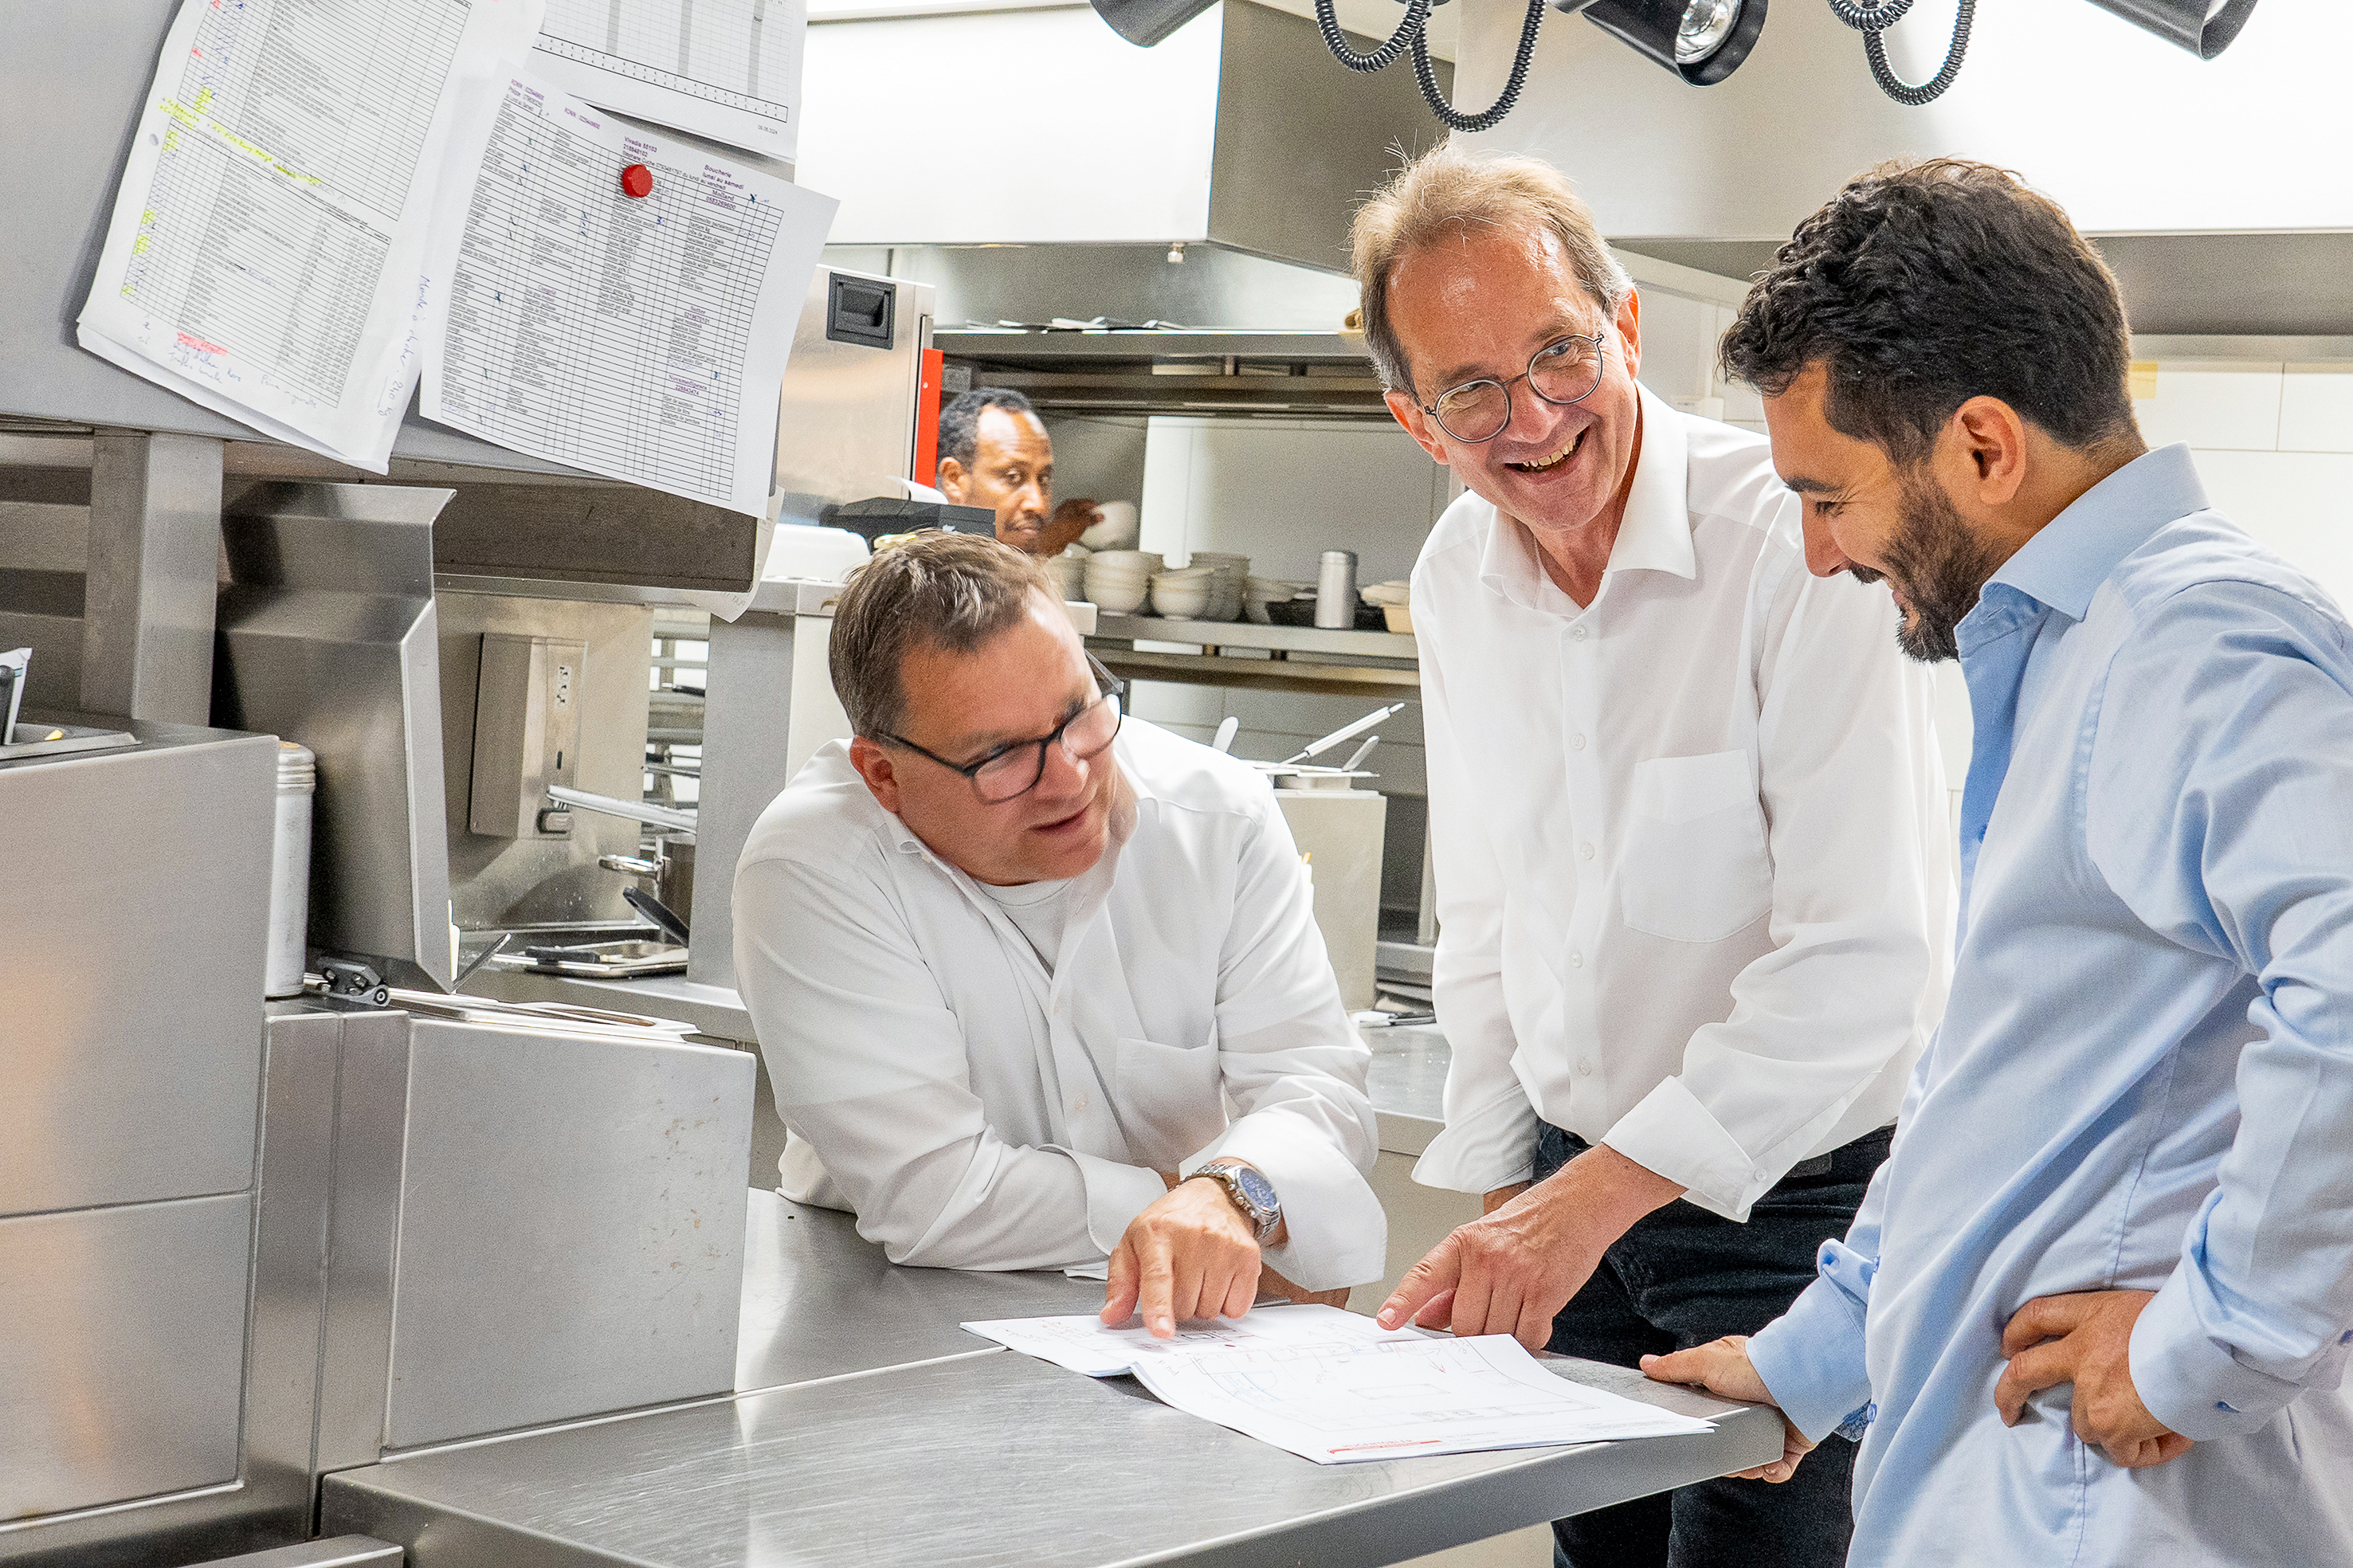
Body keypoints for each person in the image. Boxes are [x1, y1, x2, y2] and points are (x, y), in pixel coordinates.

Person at [1644, 159, 2353, 1565]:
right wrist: (1815, 1355)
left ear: (1979, 444)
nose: (1816, 550)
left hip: (2115, 1505)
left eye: (1826, 493)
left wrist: (2209, 1342)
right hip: (2003, 1486)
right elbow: (2006, 1087)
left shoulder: (2198, 642)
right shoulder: (2072, 651)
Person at [1349, 146, 1953, 1566]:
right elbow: (1487, 907)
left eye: (1557, 351)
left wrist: (1580, 1199)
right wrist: (1519, 1191)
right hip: (1576, 1186)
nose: (1532, 415)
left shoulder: (1795, 545)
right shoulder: (1455, 577)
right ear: (1414, 420)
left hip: (1793, 1203)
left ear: (1624, 328)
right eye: (1470, 389)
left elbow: (1867, 960)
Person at [731, 531, 1385, 1333]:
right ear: (883, 775)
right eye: (1000, 755)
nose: (1069, 778)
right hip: (892, 1317)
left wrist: (1227, 1195)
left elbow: (1315, 1087)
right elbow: (934, 1199)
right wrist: (1221, 1206)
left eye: (1077, 713)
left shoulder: (1218, 818)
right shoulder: (816, 866)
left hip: (1180, 1340)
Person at [935, 387, 1102, 556]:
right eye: (1013, 477)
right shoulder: (922, 576)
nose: (1037, 504)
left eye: (1043, 479)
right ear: (954, 478)